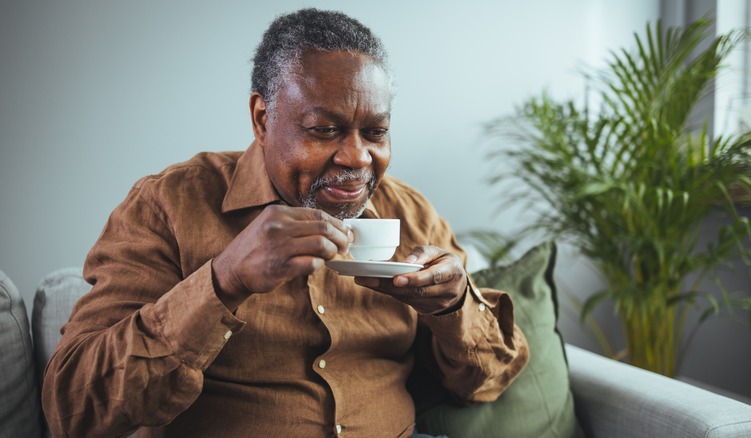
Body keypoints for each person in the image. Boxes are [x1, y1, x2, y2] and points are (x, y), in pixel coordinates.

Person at [42, 8, 528, 438]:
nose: (358, 157)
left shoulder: (412, 213)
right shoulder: (167, 205)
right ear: (261, 118)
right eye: (324, 130)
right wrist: (223, 280)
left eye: (376, 132)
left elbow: (485, 384)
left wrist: (454, 307)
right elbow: (74, 410)